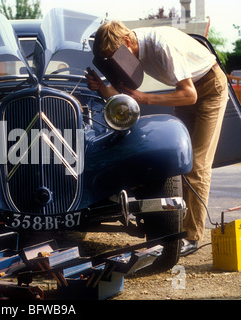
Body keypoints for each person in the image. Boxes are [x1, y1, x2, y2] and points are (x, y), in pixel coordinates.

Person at [86, 21, 228, 257]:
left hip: (209, 88)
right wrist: (103, 88)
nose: (118, 63)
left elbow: (189, 95)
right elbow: (127, 96)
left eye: (116, 57)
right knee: (179, 161)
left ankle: (191, 237)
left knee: (198, 165)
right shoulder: (129, 48)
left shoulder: (162, 46)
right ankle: (175, 229)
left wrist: (146, 98)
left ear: (127, 42)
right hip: (185, 89)